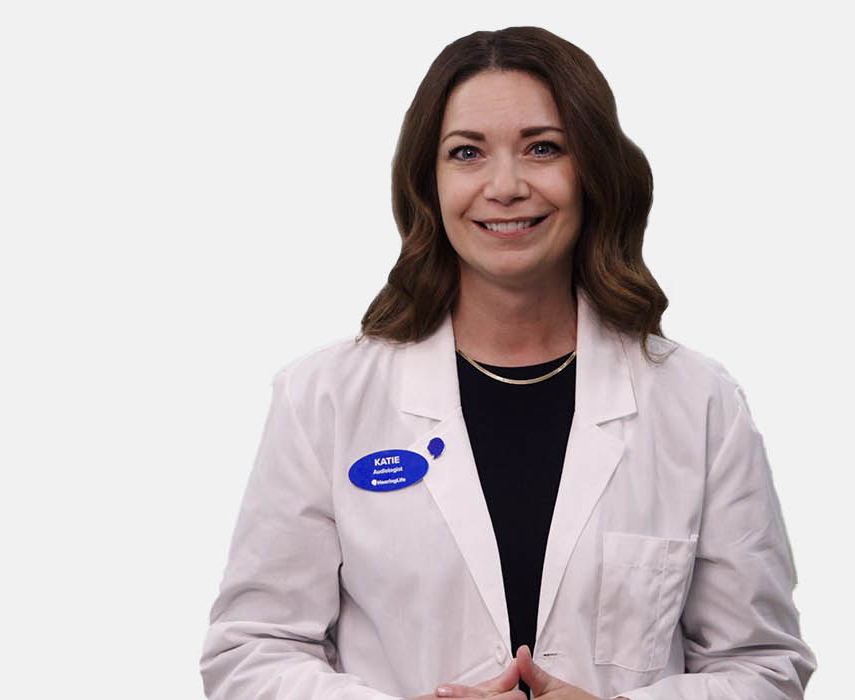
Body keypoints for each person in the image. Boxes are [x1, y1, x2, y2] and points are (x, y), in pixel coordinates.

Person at [200, 26, 814, 700]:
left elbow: (763, 667)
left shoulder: (698, 401)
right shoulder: (323, 398)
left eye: (543, 148)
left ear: (594, 173)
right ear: (428, 183)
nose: (506, 185)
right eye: (467, 153)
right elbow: (252, 652)